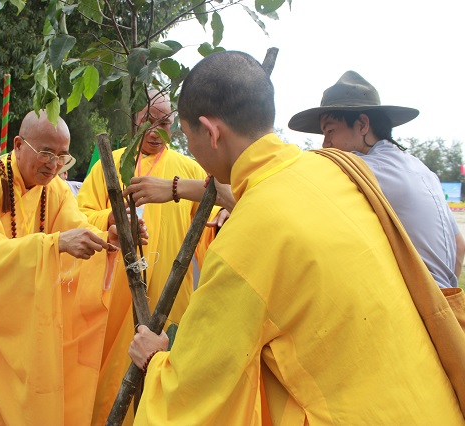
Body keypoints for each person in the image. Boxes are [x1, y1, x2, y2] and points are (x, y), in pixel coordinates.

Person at [127, 51, 463, 424]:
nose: (191, 150)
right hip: (433, 402)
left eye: (189, 137)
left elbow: (194, 386)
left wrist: (156, 359)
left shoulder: (247, 238)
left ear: (211, 132)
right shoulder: (337, 172)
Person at [0, 110, 146, 425]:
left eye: (62, 157)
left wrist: (107, 235)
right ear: (18, 144)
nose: (53, 165)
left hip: (23, 313)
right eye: (45, 153)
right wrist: (53, 246)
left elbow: (74, 226)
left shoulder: (55, 190)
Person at [77, 90, 218, 425]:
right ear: (135, 120)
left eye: (164, 122)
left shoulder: (189, 171)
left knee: (166, 373)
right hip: (118, 297)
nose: (155, 130)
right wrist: (110, 222)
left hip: (172, 292)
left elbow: (210, 233)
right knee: (112, 375)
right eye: (148, 121)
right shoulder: (112, 164)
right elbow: (80, 216)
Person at [288, 71, 465, 288]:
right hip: (447, 303)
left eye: (330, 130)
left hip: (414, 311)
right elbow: (459, 245)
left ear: (362, 125)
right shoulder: (421, 169)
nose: (325, 143)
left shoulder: (362, 168)